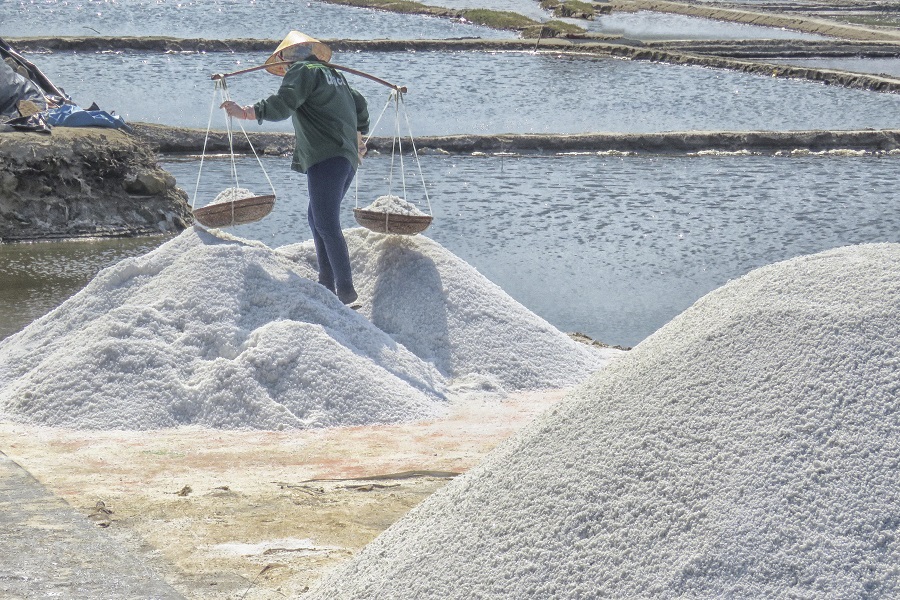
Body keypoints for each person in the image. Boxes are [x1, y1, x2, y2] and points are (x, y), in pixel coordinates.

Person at [221, 31, 369, 306]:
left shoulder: (302, 70)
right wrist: (361, 135)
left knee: (326, 221)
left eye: (287, 61)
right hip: (346, 158)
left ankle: (346, 292)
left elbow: (284, 103)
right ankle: (326, 282)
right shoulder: (334, 75)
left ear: (289, 58)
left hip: (326, 157)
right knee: (316, 216)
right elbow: (360, 103)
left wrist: (246, 112)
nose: (287, 67)